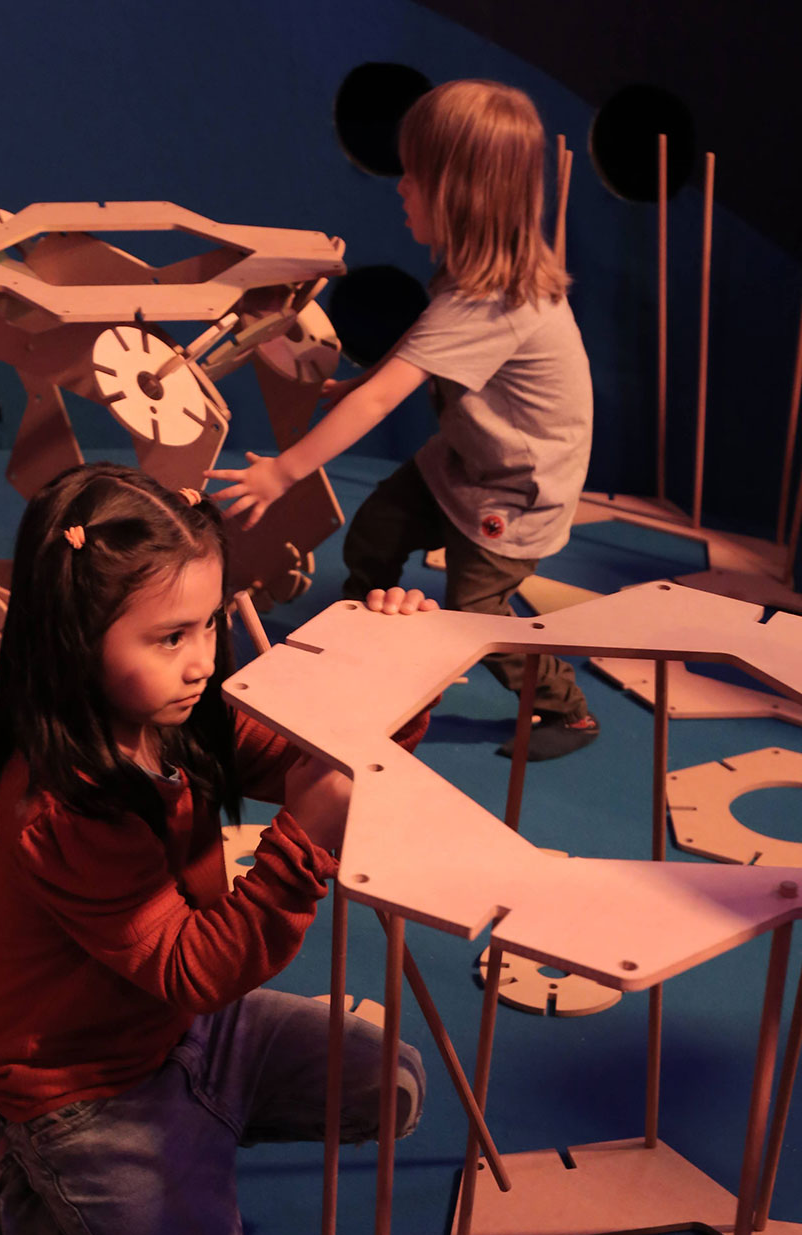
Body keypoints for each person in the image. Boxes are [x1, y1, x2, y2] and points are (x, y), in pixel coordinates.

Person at [0, 462, 433, 1235]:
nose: (202, 658)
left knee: (394, 1086)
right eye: (170, 635)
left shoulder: (179, 711)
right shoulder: (60, 805)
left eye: (209, 622)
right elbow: (193, 964)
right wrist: (304, 843)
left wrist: (397, 678)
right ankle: (24, 1192)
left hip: (194, 1032)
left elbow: (306, 755)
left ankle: (198, 1132)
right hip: (86, 1092)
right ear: (75, 638)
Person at [207, 78, 597, 762]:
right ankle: (365, 641)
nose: (400, 188)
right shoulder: (472, 277)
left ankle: (566, 708)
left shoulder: (491, 301)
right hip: (464, 461)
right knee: (375, 535)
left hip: (514, 492)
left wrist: (283, 473)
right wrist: (363, 378)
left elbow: (384, 400)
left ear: (460, 196)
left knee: (475, 612)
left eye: (414, 176)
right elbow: (424, 344)